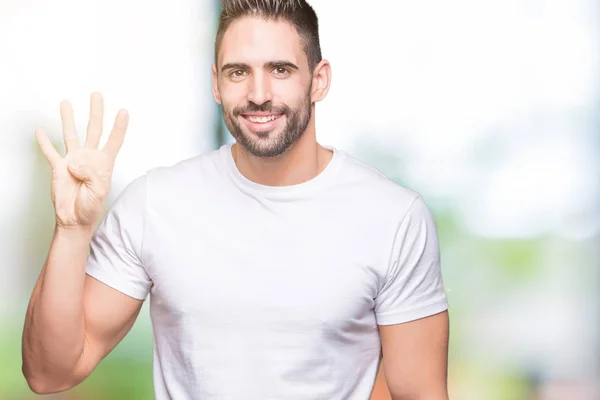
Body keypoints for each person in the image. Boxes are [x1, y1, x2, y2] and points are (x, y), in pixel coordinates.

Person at [21, 0, 450, 399]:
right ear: (216, 83)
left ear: (318, 80)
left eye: (280, 69)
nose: (259, 93)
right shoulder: (153, 205)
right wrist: (72, 231)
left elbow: (417, 393)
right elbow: (49, 373)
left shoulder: (393, 217)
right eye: (238, 72)